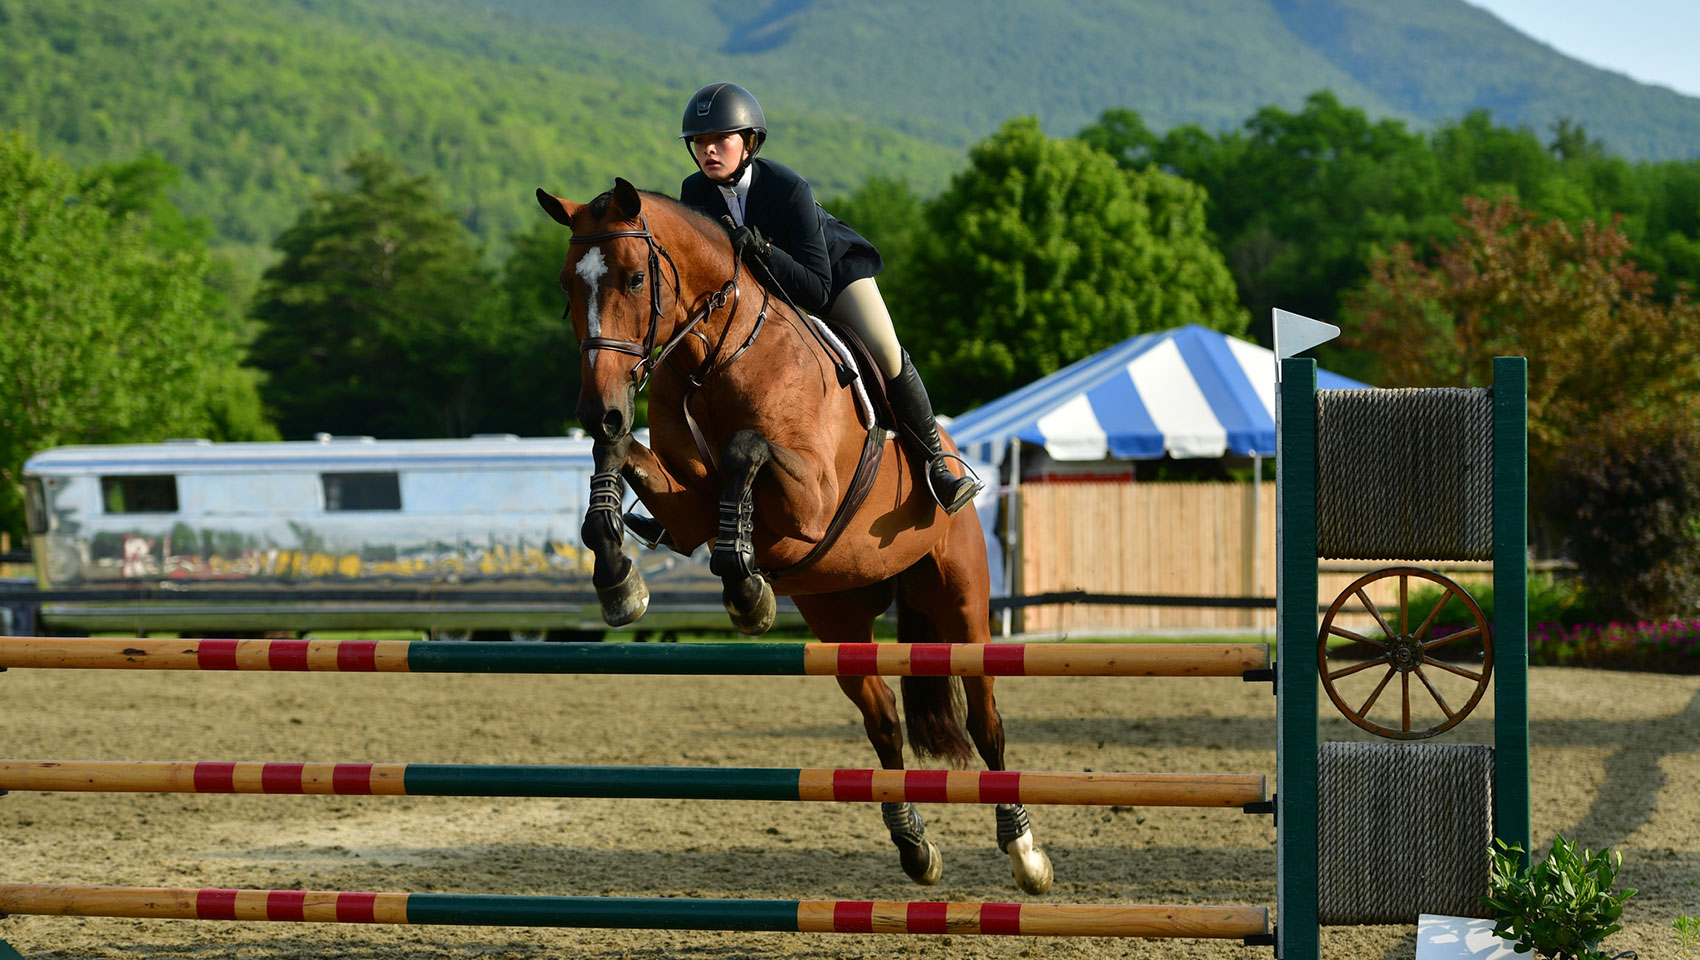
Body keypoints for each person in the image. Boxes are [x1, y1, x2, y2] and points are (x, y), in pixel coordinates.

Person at [676, 81, 981, 515]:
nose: (708, 150)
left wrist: (763, 250)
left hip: (833, 276)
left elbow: (815, 289)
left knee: (886, 352)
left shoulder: (788, 188)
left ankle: (938, 467)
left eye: (719, 140)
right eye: (699, 142)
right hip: (765, 298)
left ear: (748, 142)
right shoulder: (694, 193)